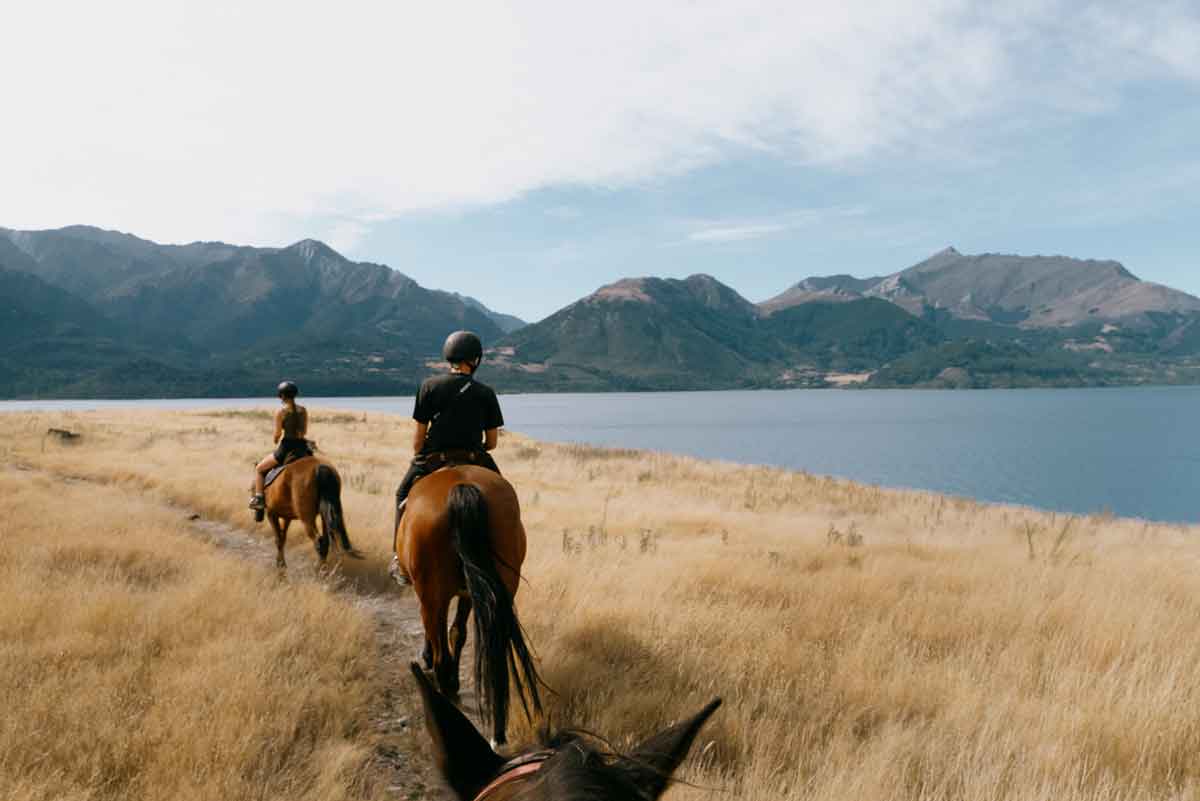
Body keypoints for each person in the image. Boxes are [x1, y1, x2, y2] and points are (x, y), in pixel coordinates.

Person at [390, 331, 503, 581]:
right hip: (475, 457)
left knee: (401, 494)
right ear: (475, 360)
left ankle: (398, 559)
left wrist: (423, 454)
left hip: (434, 459)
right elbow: (492, 442)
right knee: (503, 497)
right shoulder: (485, 392)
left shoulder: (429, 386)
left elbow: (418, 440)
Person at [248, 380, 309, 511]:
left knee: (259, 468)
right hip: (302, 448)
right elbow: (304, 432)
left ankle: (258, 498)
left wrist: (275, 439)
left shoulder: (281, 412)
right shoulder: (303, 410)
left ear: (281, 396)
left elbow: (278, 433)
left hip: (287, 448)